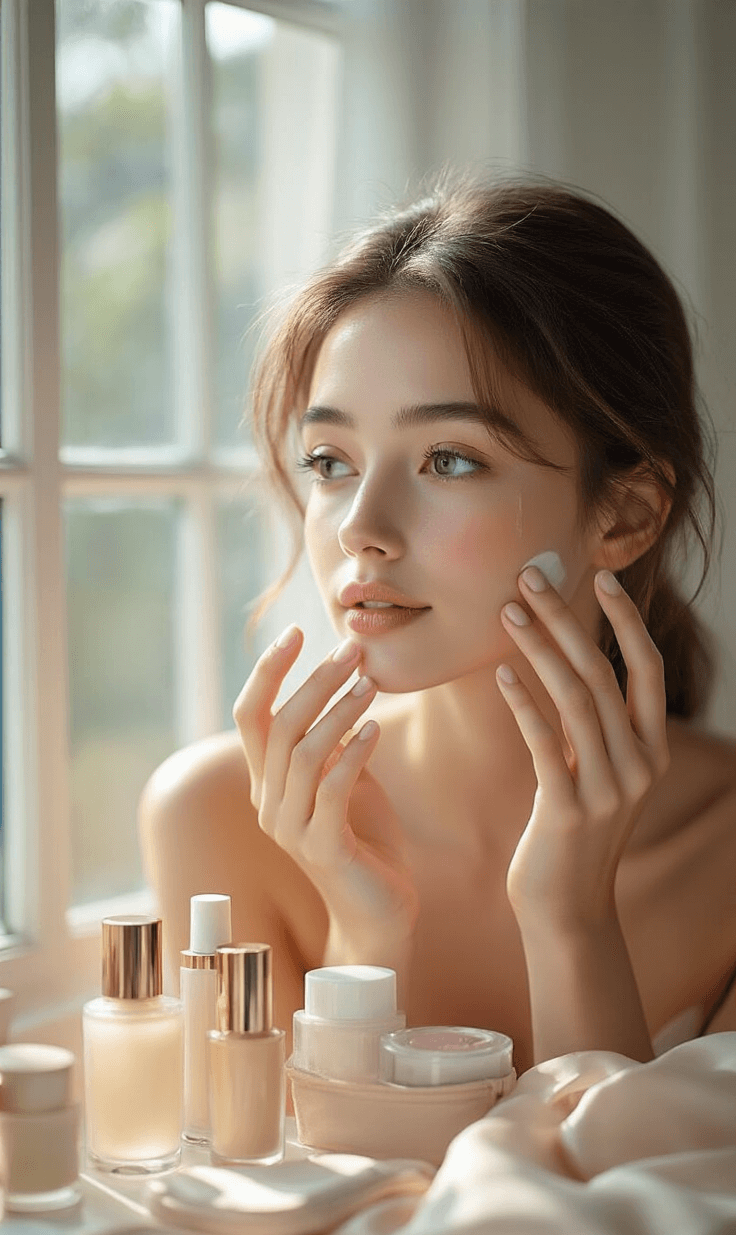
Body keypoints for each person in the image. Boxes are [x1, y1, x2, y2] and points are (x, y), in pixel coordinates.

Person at [140, 178, 736, 1075]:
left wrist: (572, 919)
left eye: (448, 458)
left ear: (624, 516)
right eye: (329, 461)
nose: (359, 528)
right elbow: (291, 1202)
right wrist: (365, 933)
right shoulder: (219, 817)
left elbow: (638, 1207)